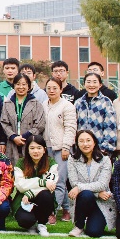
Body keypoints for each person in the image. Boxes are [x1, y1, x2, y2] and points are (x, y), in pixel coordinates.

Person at [65, 129, 115, 238]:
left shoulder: (105, 159)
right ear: (77, 144)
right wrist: (97, 193)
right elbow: (74, 183)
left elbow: (102, 184)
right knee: (86, 194)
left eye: (88, 140)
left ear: (94, 142)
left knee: (94, 232)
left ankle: (91, 220)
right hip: (83, 199)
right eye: (81, 141)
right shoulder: (72, 160)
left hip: (101, 202)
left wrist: (79, 188)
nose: (85, 144)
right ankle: (79, 226)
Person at [43, 78, 78, 220]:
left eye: (55, 88)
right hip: (47, 148)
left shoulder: (67, 106)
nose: (51, 91)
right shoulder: (43, 105)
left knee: (59, 181)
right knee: (50, 180)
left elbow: (71, 128)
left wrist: (66, 147)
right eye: (49, 88)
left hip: (62, 148)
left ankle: (52, 211)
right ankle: (66, 209)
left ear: (60, 89)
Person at [11, 135, 57, 236]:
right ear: (27, 150)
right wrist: (41, 182)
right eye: (32, 148)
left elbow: (51, 185)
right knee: (25, 221)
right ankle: (32, 219)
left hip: (41, 198)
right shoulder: (21, 163)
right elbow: (20, 185)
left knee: (46, 194)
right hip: (23, 199)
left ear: (44, 150)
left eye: (39, 148)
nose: (36, 151)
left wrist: (31, 193)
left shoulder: (51, 163)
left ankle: (42, 223)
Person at [0, 73, 46, 157]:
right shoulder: (7, 104)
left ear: (29, 86)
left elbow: (40, 125)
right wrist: (13, 137)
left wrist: (25, 136)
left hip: (31, 142)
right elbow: (4, 123)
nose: (21, 87)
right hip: (12, 143)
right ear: (14, 86)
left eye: (24, 84)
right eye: (18, 84)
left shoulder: (36, 104)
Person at [75, 72, 118, 157]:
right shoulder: (78, 103)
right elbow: (74, 125)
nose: (91, 85)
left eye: (95, 82)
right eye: (88, 82)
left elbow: (110, 126)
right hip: (81, 149)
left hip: (100, 149)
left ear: (100, 84)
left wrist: (105, 148)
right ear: (84, 84)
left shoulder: (106, 102)